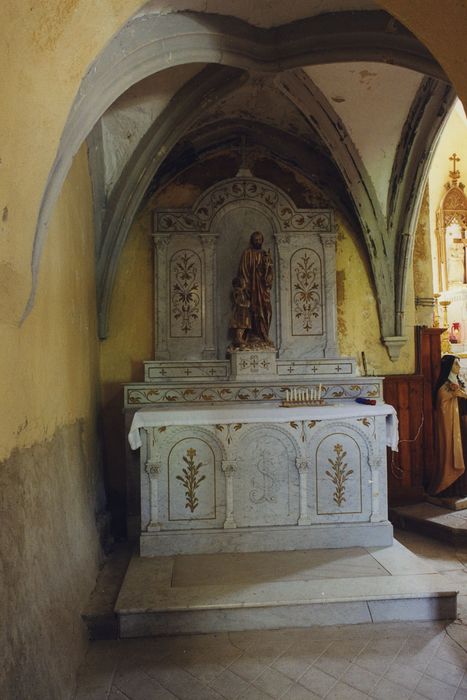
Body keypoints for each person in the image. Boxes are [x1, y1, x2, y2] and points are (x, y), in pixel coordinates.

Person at [429, 354, 467, 495]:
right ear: (449, 367)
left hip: (460, 424)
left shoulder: (457, 383)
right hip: (450, 426)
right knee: (450, 450)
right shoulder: (444, 386)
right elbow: (441, 400)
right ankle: (449, 486)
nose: (459, 367)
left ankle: (462, 488)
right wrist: (454, 394)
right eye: (456, 364)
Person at [236, 231, 274, 347]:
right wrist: (246, 286)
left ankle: (263, 335)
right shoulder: (247, 253)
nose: (258, 242)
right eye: (255, 240)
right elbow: (243, 271)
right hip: (250, 288)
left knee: (266, 311)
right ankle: (249, 336)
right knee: (251, 311)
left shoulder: (265, 255)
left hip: (262, 289)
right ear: (252, 241)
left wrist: (268, 269)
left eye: (259, 240)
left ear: (262, 241)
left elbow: (269, 275)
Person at [229, 276, 250, 347]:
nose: (245, 284)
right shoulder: (238, 292)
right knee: (240, 325)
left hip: (243, 312)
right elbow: (238, 302)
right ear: (240, 284)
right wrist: (245, 304)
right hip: (240, 312)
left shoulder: (242, 292)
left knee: (243, 325)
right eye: (244, 283)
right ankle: (238, 338)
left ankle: (240, 338)